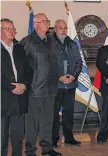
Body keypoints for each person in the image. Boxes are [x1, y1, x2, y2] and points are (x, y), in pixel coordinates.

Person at [20, 13, 62, 156]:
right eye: (43, 21)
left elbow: (54, 62)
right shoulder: (27, 42)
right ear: (35, 24)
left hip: (50, 89)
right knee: (32, 123)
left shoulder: (51, 41)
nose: (46, 23)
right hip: (34, 90)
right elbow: (22, 66)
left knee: (47, 121)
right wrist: (27, 85)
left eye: (47, 21)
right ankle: (30, 150)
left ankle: (47, 148)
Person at [1, 18, 32, 156]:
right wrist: (10, 86)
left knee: (18, 136)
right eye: (8, 29)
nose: (12, 31)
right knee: (1, 138)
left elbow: (29, 70)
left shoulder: (20, 48)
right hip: (3, 98)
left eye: (13, 29)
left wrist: (24, 85)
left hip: (20, 99)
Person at [52, 19, 82, 147]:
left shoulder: (72, 43)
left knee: (68, 113)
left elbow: (78, 62)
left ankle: (69, 137)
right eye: (60, 28)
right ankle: (53, 139)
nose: (63, 30)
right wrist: (58, 77)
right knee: (53, 114)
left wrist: (73, 77)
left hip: (70, 84)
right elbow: (47, 65)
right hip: (56, 85)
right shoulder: (49, 43)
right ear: (55, 29)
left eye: (65, 28)